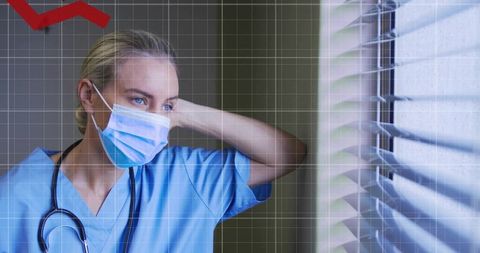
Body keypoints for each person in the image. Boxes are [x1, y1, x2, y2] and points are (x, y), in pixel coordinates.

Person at [0, 30, 307, 253]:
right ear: (89, 95)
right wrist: (164, 103)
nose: (154, 119)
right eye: (139, 100)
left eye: (166, 106)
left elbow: (285, 154)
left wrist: (183, 111)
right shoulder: (16, 198)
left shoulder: (184, 177)